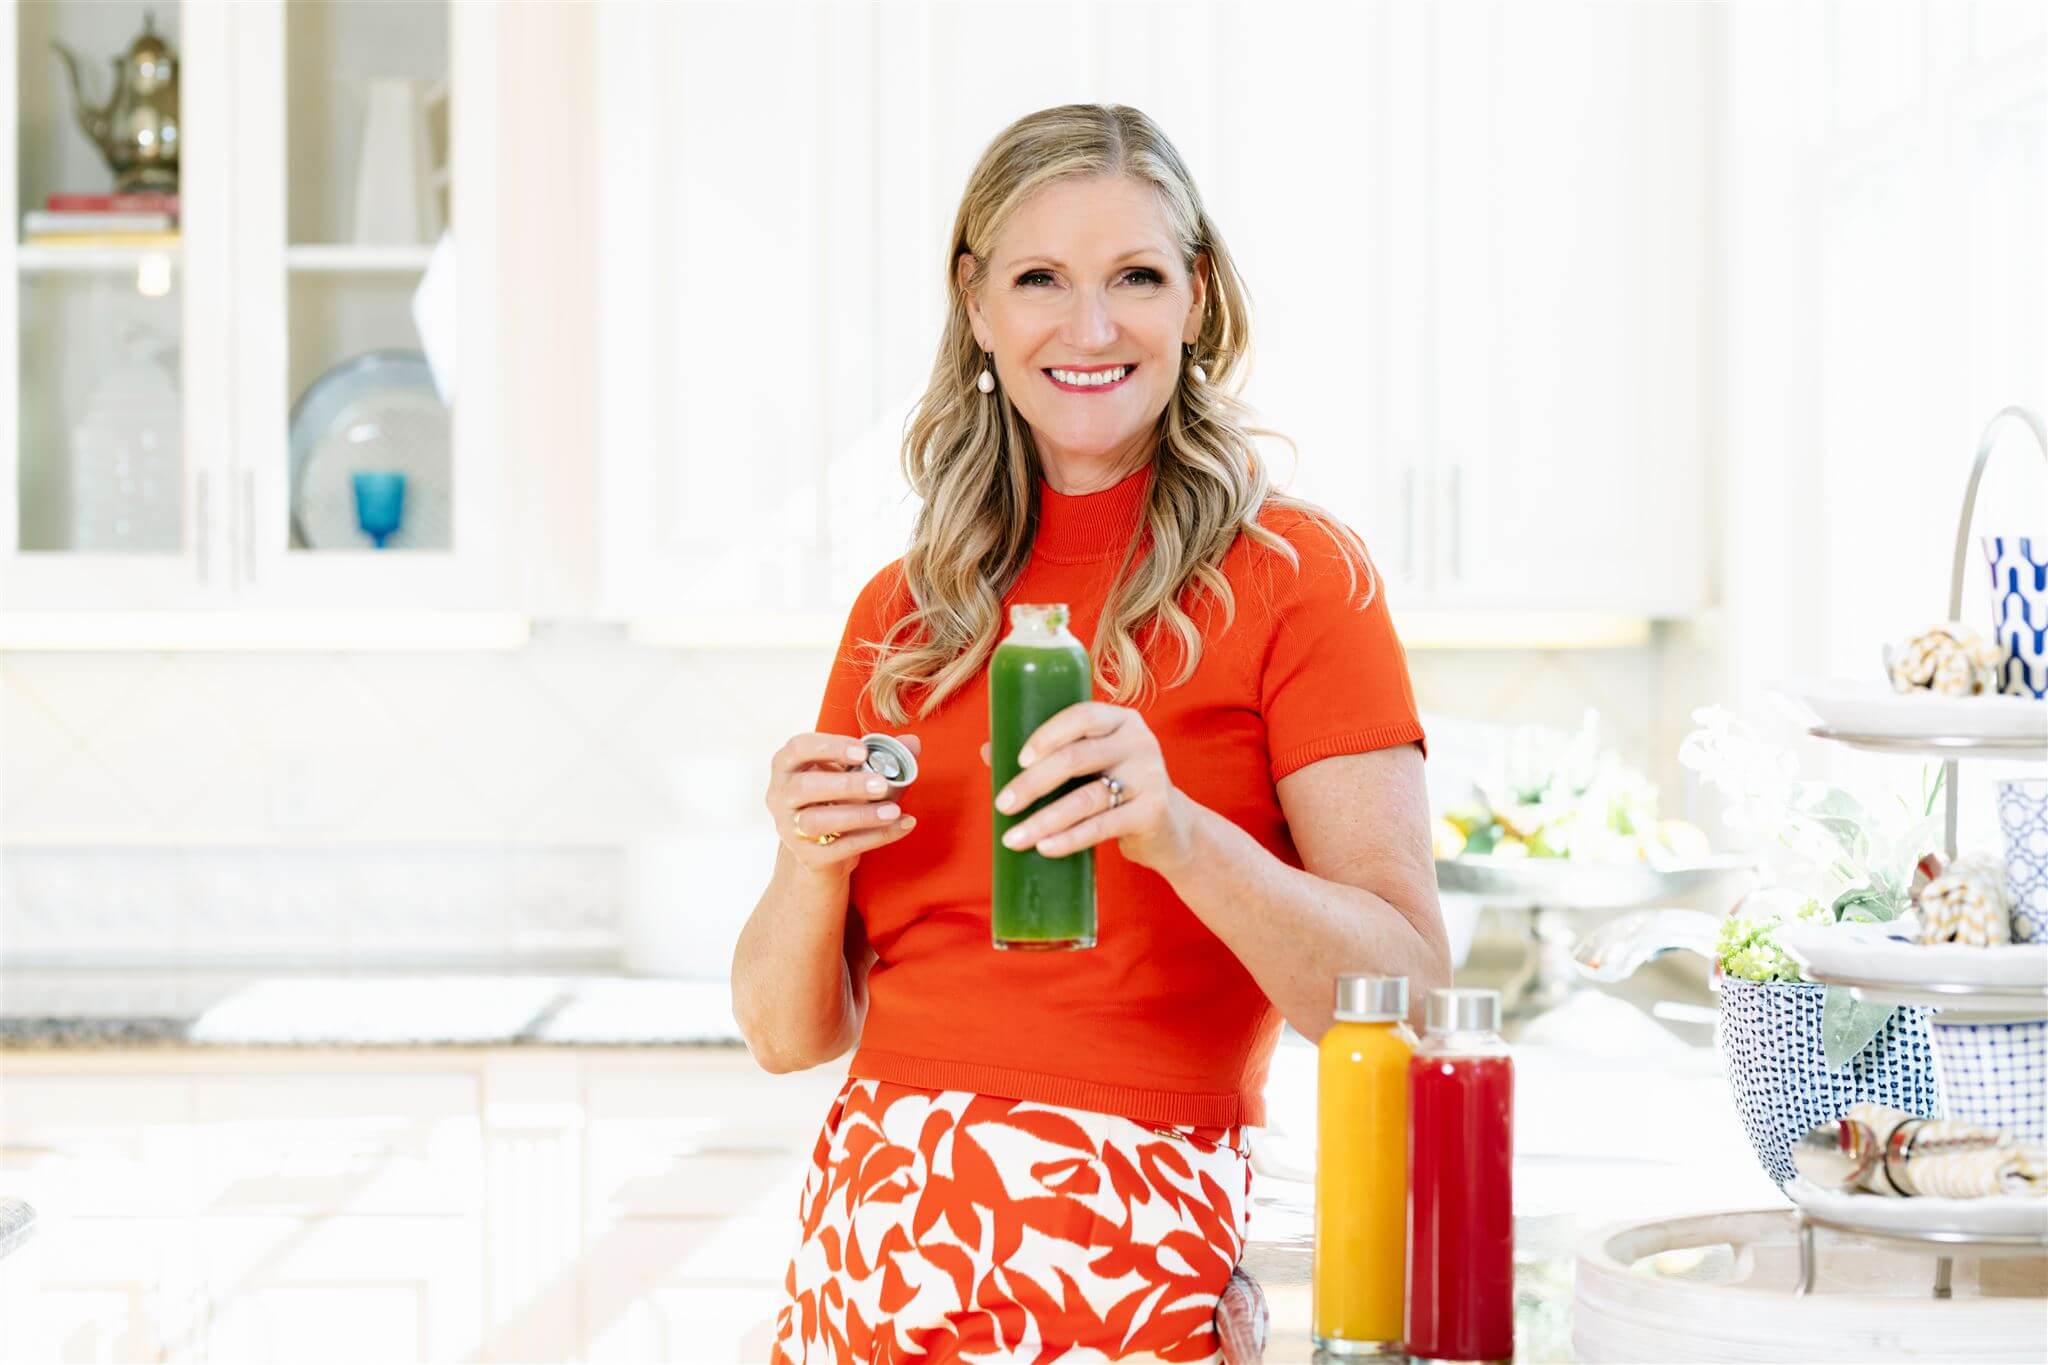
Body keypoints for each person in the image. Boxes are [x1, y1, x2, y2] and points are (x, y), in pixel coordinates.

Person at [734, 102, 1448, 1363]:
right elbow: (789, 1035)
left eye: (1133, 276)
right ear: (975, 305)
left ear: (1196, 296)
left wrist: (1175, 832)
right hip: (878, 1237)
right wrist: (806, 856)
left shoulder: (1294, 577)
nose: (1089, 327)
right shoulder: (904, 613)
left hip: (1127, 1239)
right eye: (1039, 280)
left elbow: (1405, 999)